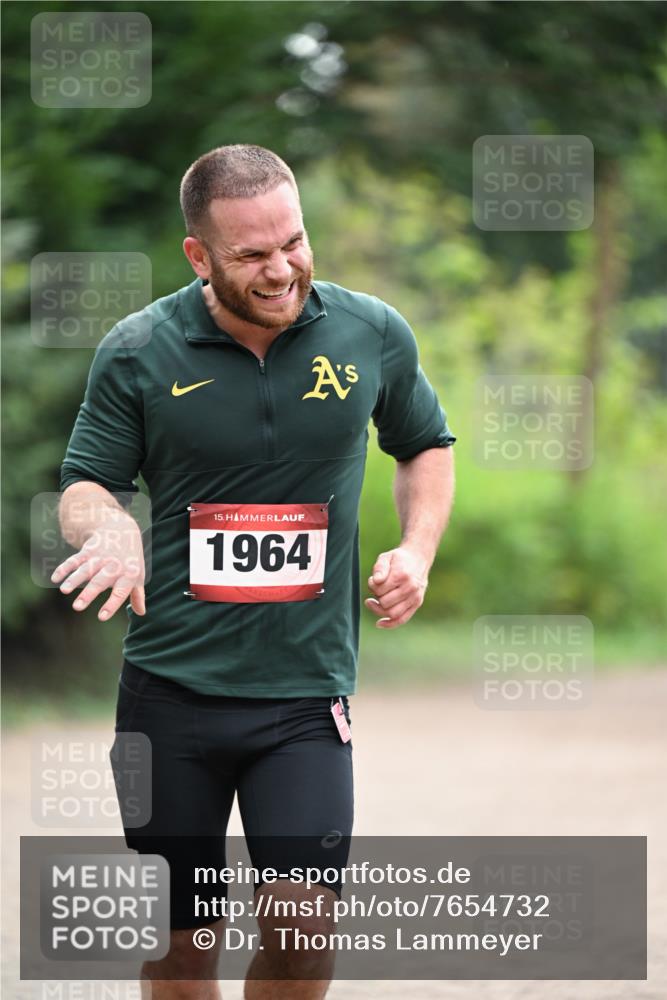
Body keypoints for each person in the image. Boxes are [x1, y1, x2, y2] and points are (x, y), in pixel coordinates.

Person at [53, 144, 456, 1000]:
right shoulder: (138, 351)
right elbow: (87, 482)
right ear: (199, 255)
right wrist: (112, 528)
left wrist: (416, 548)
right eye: (251, 255)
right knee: (184, 944)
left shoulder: (370, 332)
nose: (282, 270)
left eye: (294, 243)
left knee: (304, 925)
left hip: (305, 699)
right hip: (168, 698)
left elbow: (423, 443)